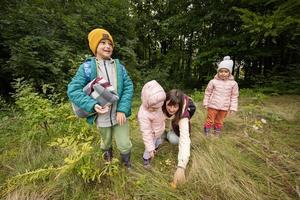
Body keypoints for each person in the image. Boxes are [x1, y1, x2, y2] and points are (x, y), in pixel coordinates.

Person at [67, 28, 134, 169]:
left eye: (110, 43)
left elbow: (128, 87)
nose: (107, 46)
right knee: (106, 141)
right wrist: (92, 105)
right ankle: (108, 163)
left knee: (124, 143)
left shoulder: (119, 67)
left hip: (119, 115)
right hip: (101, 117)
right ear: (94, 47)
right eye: (102, 42)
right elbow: (73, 90)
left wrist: (122, 109)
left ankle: (127, 164)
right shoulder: (86, 68)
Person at [162, 89, 196, 187]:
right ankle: (164, 133)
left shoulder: (183, 115)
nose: (172, 109)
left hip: (177, 122)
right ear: (165, 102)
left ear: (180, 105)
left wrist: (181, 167)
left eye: (175, 106)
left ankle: (169, 133)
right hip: (165, 123)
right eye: (169, 105)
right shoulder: (160, 103)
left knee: (174, 139)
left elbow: (185, 140)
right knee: (159, 131)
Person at [203, 56, 239, 137]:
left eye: (226, 71)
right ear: (218, 72)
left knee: (219, 121)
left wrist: (233, 107)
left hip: (224, 107)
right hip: (213, 105)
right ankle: (207, 133)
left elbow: (234, 96)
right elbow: (207, 93)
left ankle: (217, 133)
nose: (223, 73)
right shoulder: (213, 82)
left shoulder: (233, 84)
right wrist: (206, 103)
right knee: (210, 120)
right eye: (221, 71)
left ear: (229, 73)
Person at [137, 80, 166, 168]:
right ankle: (146, 160)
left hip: (158, 131)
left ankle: (155, 149)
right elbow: (146, 132)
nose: (155, 109)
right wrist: (150, 148)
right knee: (149, 148)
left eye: (157, 107)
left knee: (157, 143)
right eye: (153, 108)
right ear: (146, 102)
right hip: (151, 134)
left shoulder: (158, 104)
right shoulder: (143, 114)